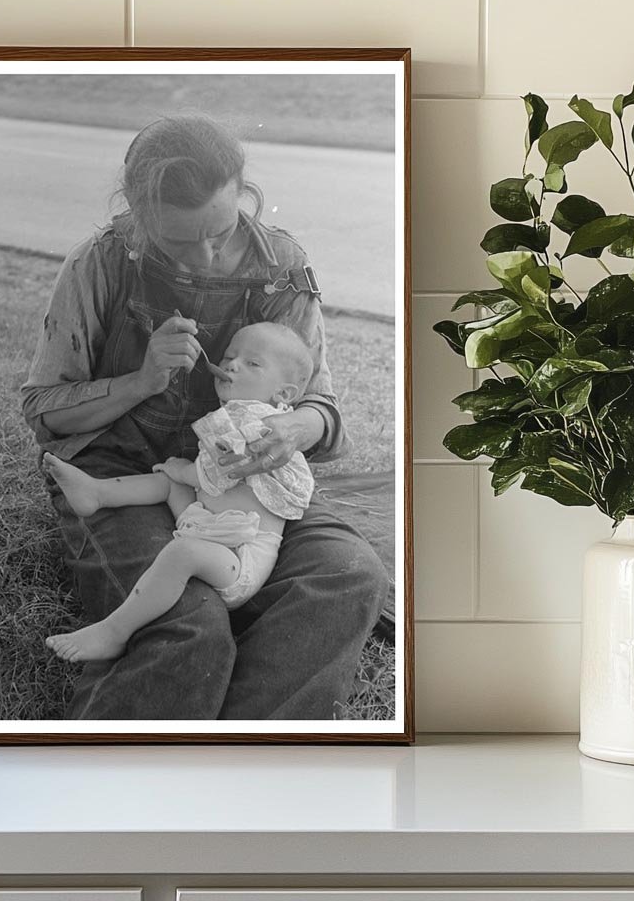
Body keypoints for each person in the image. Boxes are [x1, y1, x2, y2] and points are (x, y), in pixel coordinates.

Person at [21, 114, 389, 720]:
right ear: (138, 212)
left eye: (219, 230)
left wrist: (296, 428)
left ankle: (243, 775)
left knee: (350, 578)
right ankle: (112, 792)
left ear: (244, 194)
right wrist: (140, 381)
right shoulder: (100, 264)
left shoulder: (281, 265)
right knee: (190, 625)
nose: (206, 256)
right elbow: (45, 414)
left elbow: (324, 411)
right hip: (128, 472)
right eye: (177, 242)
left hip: (251, 485)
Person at [43, 322, 316, 663]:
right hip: (208, 522)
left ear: (284, 394)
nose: (231, 365)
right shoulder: (238, 415)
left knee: (181, 549)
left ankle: (114, 631)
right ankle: (96, 493)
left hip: (237, 560)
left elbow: (220, 473)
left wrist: (184, 471)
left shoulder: (265, 426)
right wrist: (180, 475)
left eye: (252, 364)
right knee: (169, 483)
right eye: (230, 356)